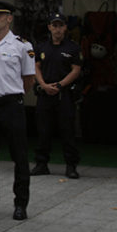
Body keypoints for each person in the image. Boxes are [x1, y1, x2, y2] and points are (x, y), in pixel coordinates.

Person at [0, 0, 35, 220]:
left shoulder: (22, 46)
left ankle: (20, 203)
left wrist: (13, 93)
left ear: (9, 18)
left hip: (11, 105)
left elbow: (29, 79)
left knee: (19, 156)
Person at [32, 13, 82, 179]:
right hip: (45, 93)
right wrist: (44, 85)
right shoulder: (41, 47)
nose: (57, 29)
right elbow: (36, 67)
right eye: (54, 25)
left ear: (65, 27)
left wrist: (60, 85)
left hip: (64, 94)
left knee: (67, 131)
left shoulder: (73, 48)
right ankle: (41, 164)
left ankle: (71, 165)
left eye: (60, 25)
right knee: (43, 130)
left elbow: (76, 70)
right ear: (49, 27)